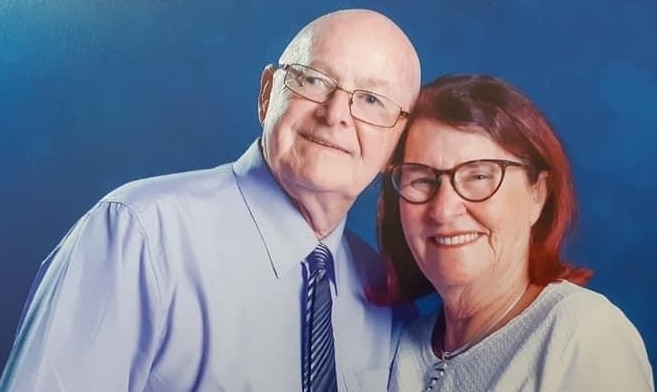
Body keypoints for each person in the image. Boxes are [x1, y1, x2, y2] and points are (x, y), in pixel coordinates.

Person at [0, 9, 421, 392]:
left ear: (399, 146)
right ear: (267, 93)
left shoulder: (385, 299)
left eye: (371, 100)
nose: (336, 114)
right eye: (314, 80)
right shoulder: (139, 235)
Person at [373, 74, 654, 391]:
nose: (443, 209)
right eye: (421, 180)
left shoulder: (585, 336)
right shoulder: (400, 345)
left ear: (538, 193)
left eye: (478, 176)